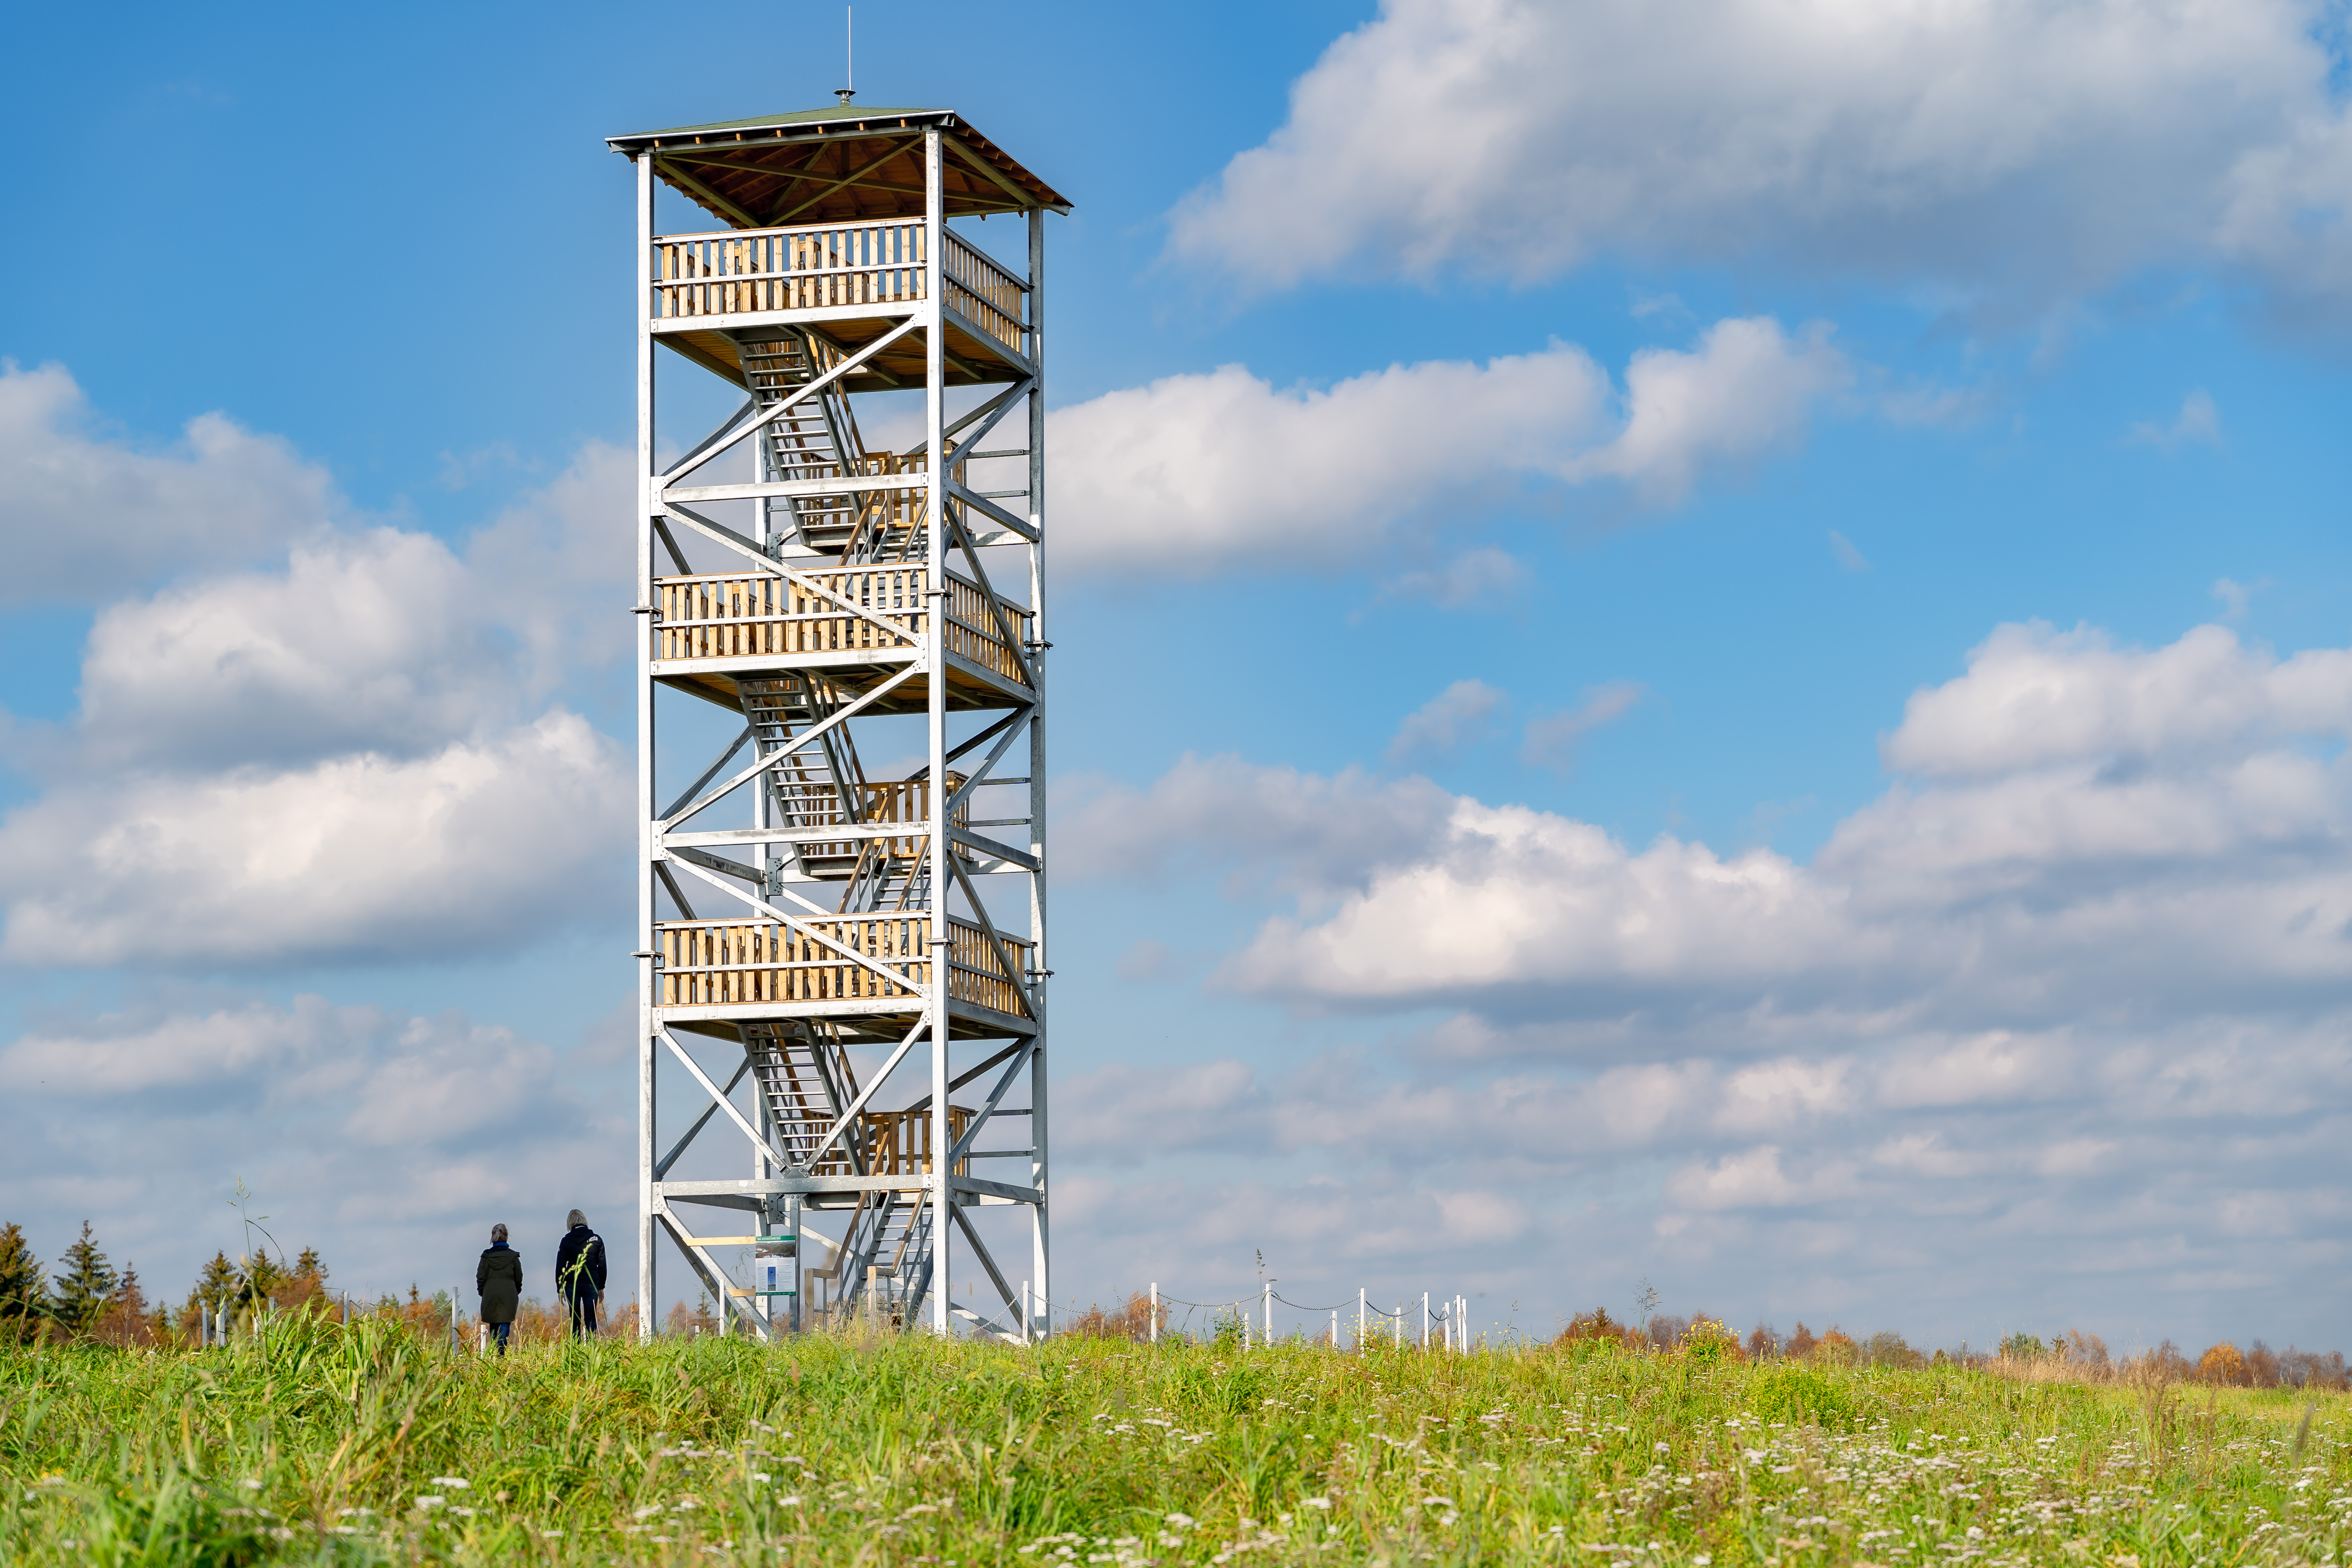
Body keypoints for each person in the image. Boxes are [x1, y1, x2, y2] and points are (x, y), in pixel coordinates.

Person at [555, 1209, 606, 1340]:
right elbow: (602, 1266)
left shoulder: (566, 1241)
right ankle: (590, 1347)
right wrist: (601, 1287)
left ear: (570, 1223)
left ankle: (576, 1347)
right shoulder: (597, 1240)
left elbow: (560, 1266)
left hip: (572, 1283)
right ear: (584, 1220)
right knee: (591, 1316)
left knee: (575, 1316)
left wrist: (560, 1288)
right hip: (592, 1283)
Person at [476, 1223, 522, 1355]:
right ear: (507, 1237)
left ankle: (496, 1350)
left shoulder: (486, 1256)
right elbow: (519, 1277)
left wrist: (483, 1292)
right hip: (508, 1292)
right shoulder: (513, 1257)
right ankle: (501, 1351)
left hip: (490, 1292)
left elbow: (481, 1277)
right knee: (505, 1321)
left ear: (493, 1237)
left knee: (493, 1321)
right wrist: (516, 1291)